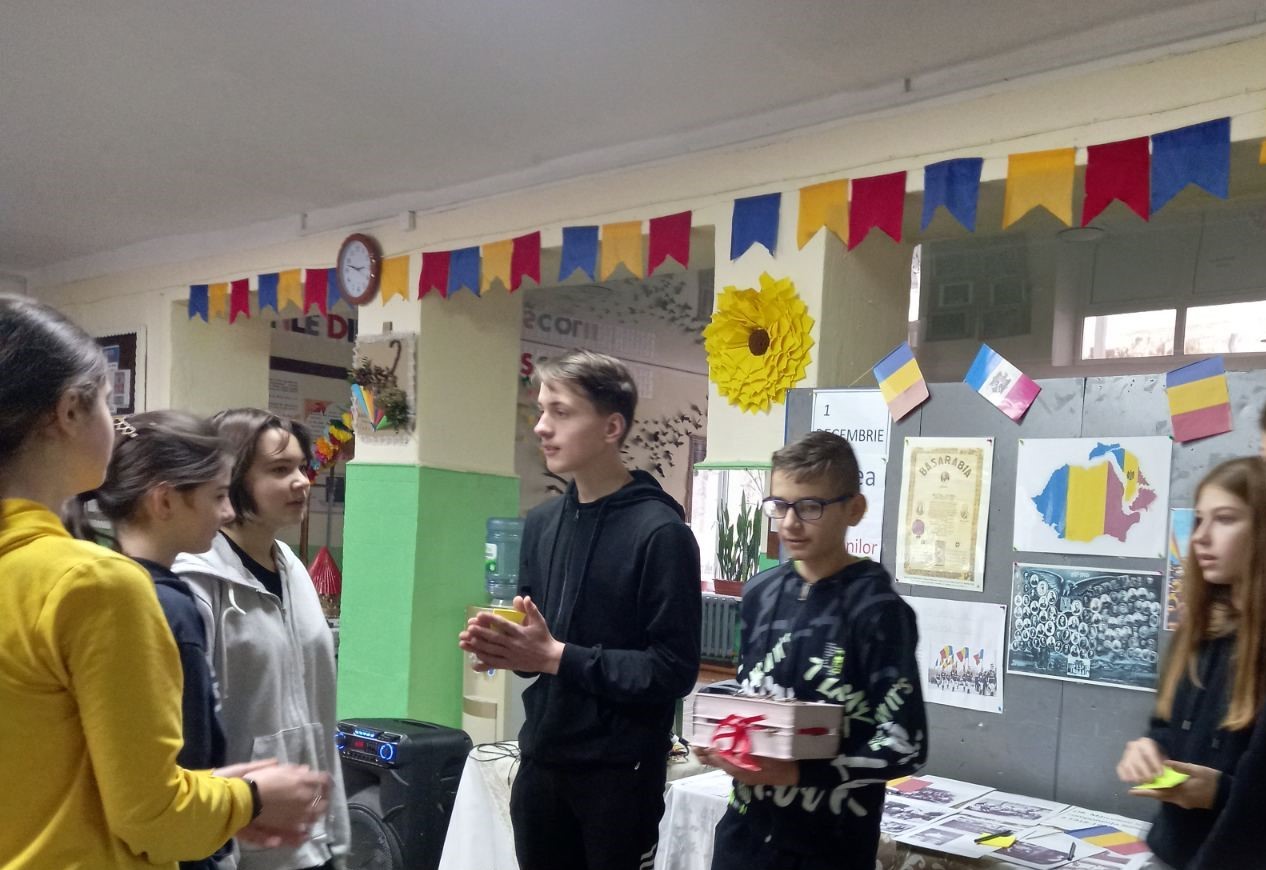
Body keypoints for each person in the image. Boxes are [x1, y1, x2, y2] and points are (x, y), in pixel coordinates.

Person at [0, 294, 328, 869]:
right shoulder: (93, 584)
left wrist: (217, 799)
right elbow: (155, 818)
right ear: (70, 411)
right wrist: (249, 798)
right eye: (108, 403)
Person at [458, 348, 701, 870]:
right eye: (541, 411)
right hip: (541, 765)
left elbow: (672, 670)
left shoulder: (662, 534)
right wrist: (507, 649)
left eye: (561, 412)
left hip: (621, 778)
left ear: (612, 427)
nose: (542, 427)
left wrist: (556, 656)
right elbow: (537, 656)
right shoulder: (542, 523)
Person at [697, 431, 928, 870]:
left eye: (809, 507)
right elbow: (753, 691)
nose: (789, 523)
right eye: (779, 505)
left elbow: (905, 744)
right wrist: (715, 730)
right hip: (743, 842)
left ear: (854, 509)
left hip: (829, 850)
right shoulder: (760, 592)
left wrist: (800, 773)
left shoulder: (879, 612)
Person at [63, 410, 243, 870]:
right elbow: (187, 756)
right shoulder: (166, 607)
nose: (228, 512)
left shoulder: (103, 585)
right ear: (164, 501)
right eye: (218, 496)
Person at [175, 409, 349, 870]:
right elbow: (190, 737)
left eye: (302, 467)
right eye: (279, 469)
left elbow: (317, 711)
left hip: (311, 833)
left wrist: (333, 829)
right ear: (231, 478)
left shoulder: (292, 566)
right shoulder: (196, 581)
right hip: (238, 839)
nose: (301, 482)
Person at [1116, 457, 1266, 870]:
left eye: (1225, 519)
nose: (1200, 537)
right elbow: (1166, 724)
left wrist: (1216, 793)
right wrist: (1150, 749)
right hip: (1172, 852)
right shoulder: (1202, 629)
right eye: (1199, 520)